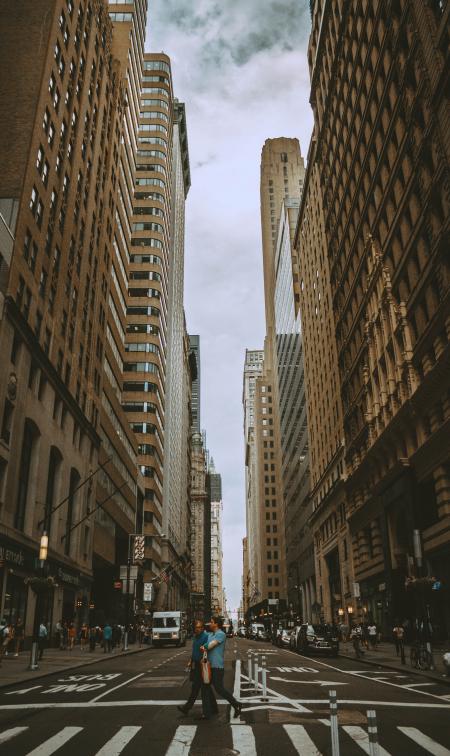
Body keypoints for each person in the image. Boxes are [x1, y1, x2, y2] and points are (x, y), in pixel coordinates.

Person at [201, 616, 242, 720]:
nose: (210, 624)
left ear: (216, 624)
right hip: (209, 666)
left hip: (217, 667)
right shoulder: (210, 634)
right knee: (205, 688)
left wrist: (204, 647)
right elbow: (204, 641)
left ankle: (236, 704)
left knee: (219, 689)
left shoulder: (221, 634)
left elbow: (210, 645)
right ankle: (208, 712)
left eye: (211, 622)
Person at [178, 620, 218, 719]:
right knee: (202, 688)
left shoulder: (206, 637)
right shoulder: (195, 637)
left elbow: (207, 649)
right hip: (196, 665)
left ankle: (192, 709)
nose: (198, 629)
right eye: (196, 627)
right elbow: (195, 651)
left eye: (200, 627)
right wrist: (190, 661)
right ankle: (214, 708)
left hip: (202, 665)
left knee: (199, 688)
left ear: (203, 628)